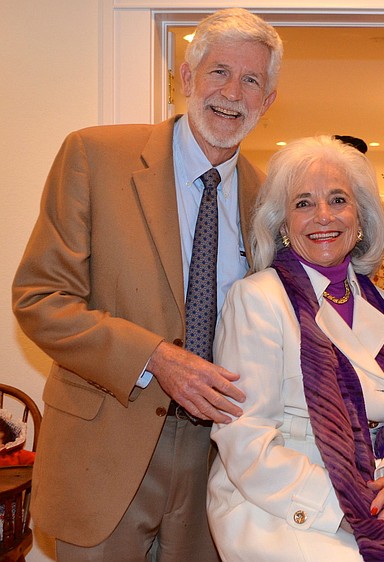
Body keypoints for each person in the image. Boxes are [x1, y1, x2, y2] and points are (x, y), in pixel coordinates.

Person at [11, 8, 282, 560]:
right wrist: (155, 357)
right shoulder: (94, 156)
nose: (232, 93)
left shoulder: (271, 200)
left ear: (268, 101)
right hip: (104, 454)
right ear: (186, 78)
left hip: (216, 469)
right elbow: (40, 299)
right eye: (219, 72)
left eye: (251, 80)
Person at [207, 135, 384, 562]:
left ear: (360, 217)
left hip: (375, 492)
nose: (323, 216)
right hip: (284, 507)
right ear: (282, 223)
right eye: (303, 203)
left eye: (338, 200)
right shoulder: (258, 298)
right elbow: (246, 440)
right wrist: (350, 507)